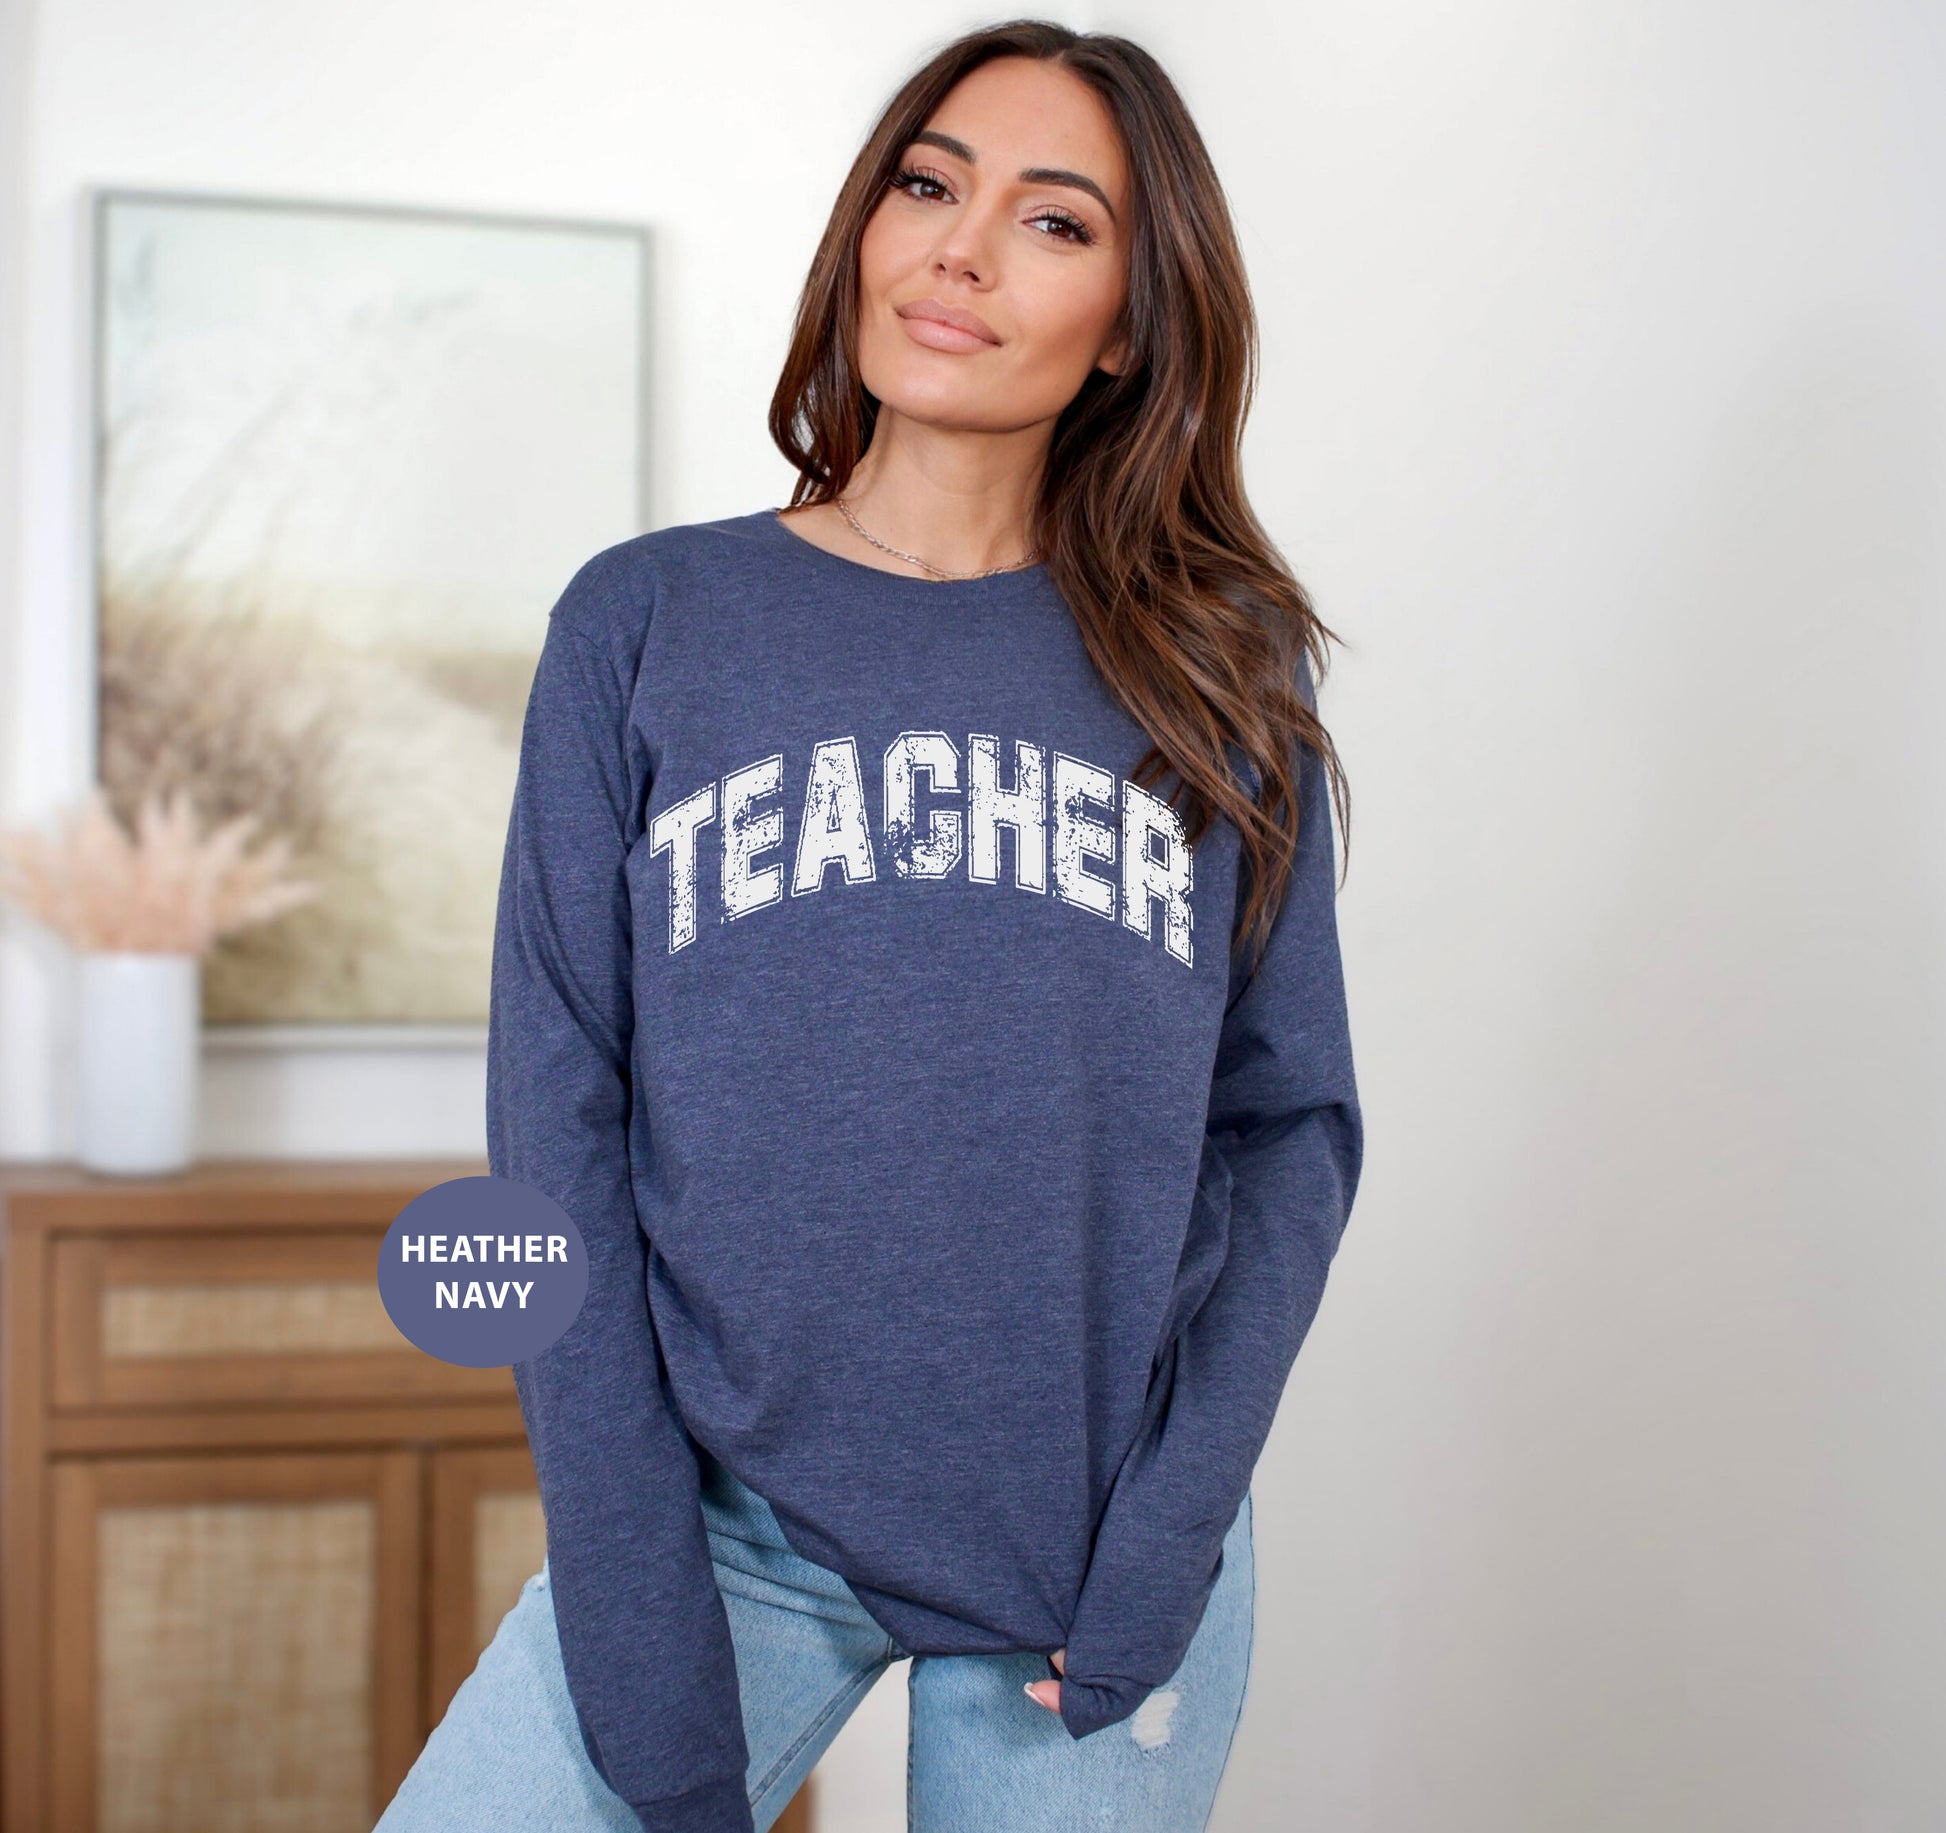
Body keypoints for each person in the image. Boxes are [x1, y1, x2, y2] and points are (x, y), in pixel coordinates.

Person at [375, 18, 1364, 1833]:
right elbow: (556, 1120)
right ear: (865, 228)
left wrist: (1168, 1533)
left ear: (1129, 323)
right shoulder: (647, 621)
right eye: (927, 185)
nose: (960, 250)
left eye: (1052, 222)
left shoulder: (1221, 666)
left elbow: (1287, 1128)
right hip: (724, 1520)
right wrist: (631, 1598)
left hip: (1099, 1543)